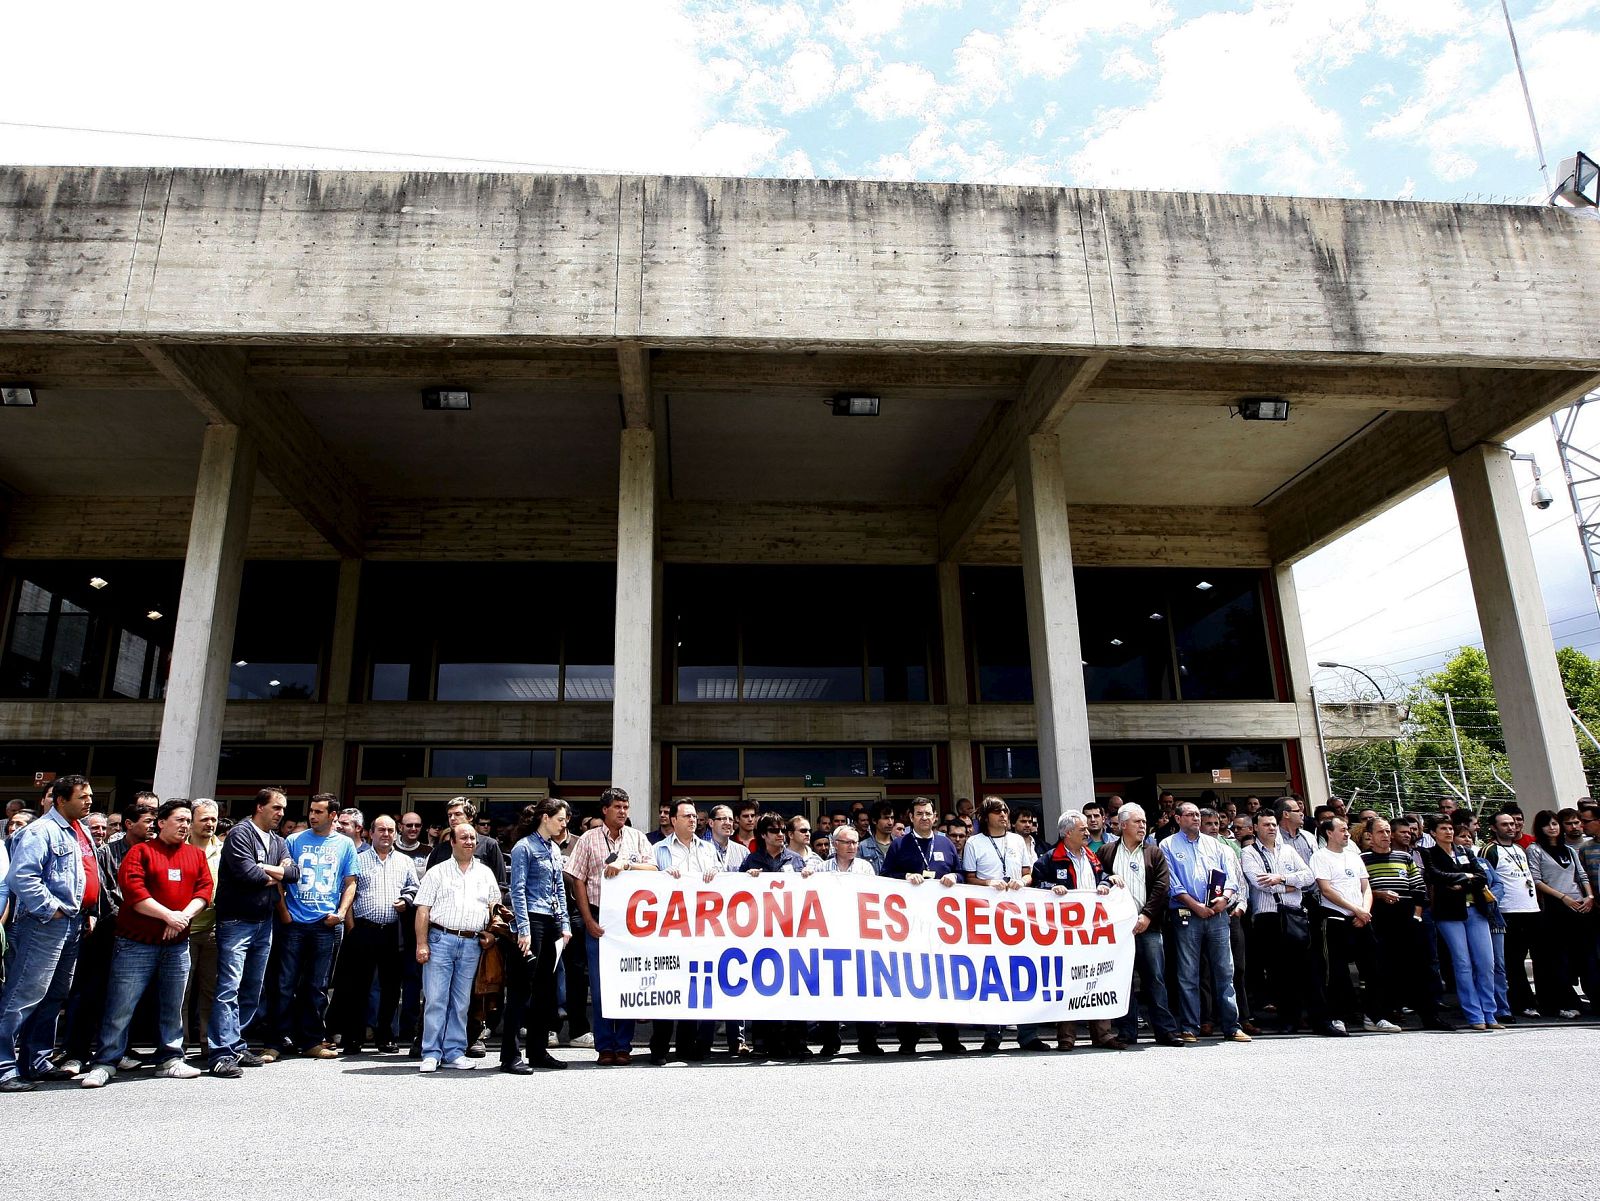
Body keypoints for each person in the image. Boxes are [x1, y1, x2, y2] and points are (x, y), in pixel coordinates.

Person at [80, 800, 214, 1087]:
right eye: (178, 819)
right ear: (161, 822)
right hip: (135, 943)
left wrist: (181, 918)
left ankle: (170, 1058)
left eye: (187, 820)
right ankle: (105, 1061)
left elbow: (204, 890)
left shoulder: (195, 855)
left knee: (172, 1004)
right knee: (121, 1004)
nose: (184, 825)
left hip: (177, 944)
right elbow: (133, 890)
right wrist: (168, 916)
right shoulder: (141, 852)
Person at [0, 775, 96, 1091]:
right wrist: (50, 908)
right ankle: (4, 1066)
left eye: (90, 796)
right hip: (42, 926)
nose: (89, 801)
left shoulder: (79, 830)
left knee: (53, 996)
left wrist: (88, 911)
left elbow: (85, 875)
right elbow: (22, 877)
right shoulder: (39, 831)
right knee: (23, 996)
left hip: (71, 924)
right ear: (60, 799)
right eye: (82, 797)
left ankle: (35, 1061)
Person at [206, 788, 297, 1078]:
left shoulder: (278, 840)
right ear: (259, 807)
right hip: (236, 922)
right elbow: (248, 874)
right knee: (229, 987)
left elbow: (294, 874)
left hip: (263, 922)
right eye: (276, 808)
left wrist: (266, 870)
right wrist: (274, 872)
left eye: (283, 809)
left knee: (251, 988)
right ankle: (220, 1052)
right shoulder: (240, 834)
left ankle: (236, 1043)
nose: (281, 813)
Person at [563, 786, 656, 1066]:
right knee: (602, 986)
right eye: (617, 807)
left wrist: (627, 865)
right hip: (598, 917)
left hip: (630, 922)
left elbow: (653, 869)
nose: (622, 812)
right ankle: (604, 1045)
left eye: (626, 808)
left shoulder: (637, 838)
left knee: (627, 983)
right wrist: (588, 920)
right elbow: (576, 878)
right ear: (605, 810)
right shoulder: (589, 839)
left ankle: (624, 1044)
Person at [265, 793, 359, 1061]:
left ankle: (312, 1040)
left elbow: (350, 882)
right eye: (311, 811)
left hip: (325, 925)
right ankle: (275, 1042)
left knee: (317, 987)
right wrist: (284, 912)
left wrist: (340, 914)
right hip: (294, 923)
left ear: (333, 816)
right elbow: (281, 877)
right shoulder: (293, 841)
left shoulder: (344, 845)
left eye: (319, 812)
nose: (312, 816)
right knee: (284, 984)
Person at [414, 823, 502, 1072]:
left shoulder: (485, 873)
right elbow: (423, 910)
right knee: (436, 999)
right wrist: (421, 944)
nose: (469, 842)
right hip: (441, 940)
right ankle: (431, 1052)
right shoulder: (437, 872)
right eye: (463, 837)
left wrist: (492, 934)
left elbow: (495, 909)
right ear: (452, 841)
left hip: (472, 943)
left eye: (473, 838)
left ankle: (454, 1051)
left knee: (462, 1002)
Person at [1159, 801, 1250, 1043]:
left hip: (1218, 914)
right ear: (1177, 819)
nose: (1196, 819)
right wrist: (1194, 905)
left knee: (1225, 970)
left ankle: (1232, 1025)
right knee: (1188, 973)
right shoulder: (1167, 845)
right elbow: (1172, 882)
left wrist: (1225, 898)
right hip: (1187, 915)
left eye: (1198, 814)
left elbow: (1231, 877)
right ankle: (1190, 1026)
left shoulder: (1215, 844)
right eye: (1190, 815)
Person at [882, 797, 965, 1056]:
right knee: (907, 980)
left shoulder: (946, 843)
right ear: (911, 817)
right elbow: (884, 878)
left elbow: (962, 873)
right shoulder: (899, 845)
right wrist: (904, 877)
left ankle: (949, 1038)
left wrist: (954, 876)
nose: (924, 817)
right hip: (909, 926)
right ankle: (907, 1040)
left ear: (935, 816)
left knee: (944, 981)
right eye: (919, 814)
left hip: (942, 926)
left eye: (928, 813)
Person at [1097, 803, 1181, 1047]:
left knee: (1155, 979)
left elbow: (1161, 887)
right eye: (1137, 822)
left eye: (1144, 822)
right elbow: (1098, 881)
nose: (1143, 826)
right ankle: (1127, 1031)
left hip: (1148, 927)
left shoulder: (1153, 852)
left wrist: (1146, 916)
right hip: (1118, 930)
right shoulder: (1106, 851)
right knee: (1123, 980)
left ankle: (1165, 1031)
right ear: (1123, 825)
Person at [1037, 810, 1122, 1051]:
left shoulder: (1092, 857)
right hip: (1065, 933)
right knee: (1069, 981)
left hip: (1092, 932)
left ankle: (1103, 1034)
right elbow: (1036, 884)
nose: (1087, 832)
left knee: (1097, 979)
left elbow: (1102, 876)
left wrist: (1107, 883)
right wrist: (1051, 887)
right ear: (1067, 833)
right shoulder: (1050, 858)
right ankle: (1066, 1037)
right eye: (1082, 829)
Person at [964, 796, 1043, 1052]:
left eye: (1005, 812)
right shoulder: (974, 843)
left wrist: (1024, 881)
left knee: (1024, 972)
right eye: (997, 812)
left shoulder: (1018, 840)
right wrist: (988, 883)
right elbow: (970, 878)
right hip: (988, 915)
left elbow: (1029, 872)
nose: (1003, 816)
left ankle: (1028, 1034)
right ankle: (992, 1034)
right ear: (986, 817)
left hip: (1019, 913)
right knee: (992, 974)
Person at [648, 800, 724, 1064]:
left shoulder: (708, 849)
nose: (693, 820)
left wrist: (716, 872)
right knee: (667, 985)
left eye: (694, 816)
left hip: (700, 928)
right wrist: (661, 875)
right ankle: (658, 1048)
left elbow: (723, 880)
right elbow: (646, 884)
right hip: (669, 928)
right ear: (673, 820)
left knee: (692, 986)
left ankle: (685, 1047)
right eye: (687, 816)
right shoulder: (658, 850)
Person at [338, 814, 418, 1055]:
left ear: (397, 833)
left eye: (391, 830)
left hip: (392, 931)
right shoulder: (358, 859)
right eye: (381, 830)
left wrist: (406, 900)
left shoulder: (405, 862)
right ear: (370, 833)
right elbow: (347, 892)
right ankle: (354, 1036)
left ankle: (386, 1035)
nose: (386, 834)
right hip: (363, 929)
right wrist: (350, 927)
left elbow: (414, 888)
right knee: (358, 986)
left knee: (391, 987)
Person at [1362, 816, 1450, 1031]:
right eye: (1380, 832)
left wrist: (1417, 916)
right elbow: (1358, 889)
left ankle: (1429, 1016)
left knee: (1420, 968)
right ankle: (1382, 1013)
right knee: (1383, 968)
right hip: (1379, 916)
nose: (1385, 836)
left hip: (1407, 915)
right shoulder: (1361, 859)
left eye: (1387, 832)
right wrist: (1379, 894)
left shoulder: (1405, 857)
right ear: (1369, 836)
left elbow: (1419, 889)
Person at [505, 800, 572, 1073]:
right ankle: (510, 1055)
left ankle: (538, 1050)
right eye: (560, 819)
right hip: (532, 919)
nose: (564, 824)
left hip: (552, 920)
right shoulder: (524, 847)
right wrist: (523, 929)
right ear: (545, 818)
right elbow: (517, 890)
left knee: (545, 990)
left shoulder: (554, 848)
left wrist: (565, 924)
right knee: (522, 989)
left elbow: (559, 888)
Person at [1311, 817, 1393, 1034]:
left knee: (1373, 968)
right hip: (1336, 918)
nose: (1347, 833)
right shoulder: (1320, 857)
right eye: (1342, 830)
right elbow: (1326, 890)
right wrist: (1355, 910)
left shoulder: (1354, 857)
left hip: (1361, 919)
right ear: (1329, 833)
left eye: (1347, 830)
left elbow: (1365, 887)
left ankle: (1375, 1016)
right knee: (1336, 971)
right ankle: (1337, 1016)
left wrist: (1364, 911)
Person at [1242, 808, 1318, 1034]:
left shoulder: (1288, 851)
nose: (1272, 828)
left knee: (1299, 968)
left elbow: (1309, 876)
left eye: (1274, 824)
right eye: (1266, 825)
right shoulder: (1249, 852)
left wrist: (1282, 878)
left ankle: (1300, 1016)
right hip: (1268, 917)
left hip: (1294, 913)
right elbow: (1260, 883)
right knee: (1277, 971)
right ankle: (1286, 1019)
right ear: (1256, 828)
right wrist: (1292, 885)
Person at [1423, 815, 1499, 1030]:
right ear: (1433, 833)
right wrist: (1466, 878)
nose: (1448, 832)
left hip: (1476, 910)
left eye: (1450, 828)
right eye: (1443, 828)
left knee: (1486, 963)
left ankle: (1490, 1013)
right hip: (1450, 913)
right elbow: (1436, 875)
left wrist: (1461, 881)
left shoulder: (1465, 852)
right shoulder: (1430, 853)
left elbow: (1482, 877)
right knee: (1463, 963)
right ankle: (1475, 1015)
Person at [1527, 808, 1597, 1018]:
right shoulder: (1535, 849)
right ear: (1540, 828)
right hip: (1554, 907)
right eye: (1547, 824)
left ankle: (1590, 999)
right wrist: (1563, 897)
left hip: (1580, 905)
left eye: (1555, 824)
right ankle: (1564, 1001)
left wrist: (1589, 896)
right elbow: (1536, 879)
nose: (1552, 827)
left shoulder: (1570, 850)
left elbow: (1582, 875)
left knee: (1584, 956)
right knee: (1559, 958)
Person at [1481, 810, 1540, 1018]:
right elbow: (1486, 881)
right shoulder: (1489, 850)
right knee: (1512, 961)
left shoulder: (1520, 849)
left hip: (1530, 908)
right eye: (1505, 824)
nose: (1511, 827)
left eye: (1513, 824)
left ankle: (1537, 999)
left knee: (1536, 957)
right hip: (1508, 910)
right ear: (1494, 828)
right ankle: (1519, 1002)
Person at [181, 799, 225, 1057]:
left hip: (213, 930)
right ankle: (180, 1044)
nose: (210, 824)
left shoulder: (223, 849)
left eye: (213, 819)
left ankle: (209, 1043)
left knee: (211, 990)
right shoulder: (178, 848)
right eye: (204, 819)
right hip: (183, 930)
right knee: (182, 992)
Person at [858, 801, 896, 873]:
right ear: (874, 820)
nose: (890, 822)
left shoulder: (901, 845)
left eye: (892, 818)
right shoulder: (862, 846)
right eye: (886, 818)